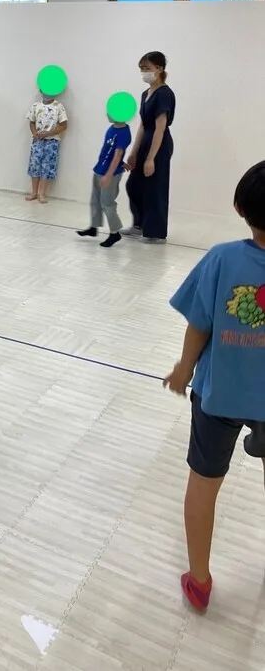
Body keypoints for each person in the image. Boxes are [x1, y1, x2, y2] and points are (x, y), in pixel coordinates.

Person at [164, 162, 265, 612]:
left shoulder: (223, 258)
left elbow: (199, 325)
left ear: (239, 207)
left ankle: (199, 580)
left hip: (218, 395)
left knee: (203, 485)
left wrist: (184, 368)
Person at [124, 51, 176, 242]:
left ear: (159, 69)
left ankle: (155, 232)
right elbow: (143, 125)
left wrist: (151, 158)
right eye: (142, 69)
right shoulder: (146, 94)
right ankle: (139, 224)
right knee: (134, 185)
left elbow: (159, 128)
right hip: (146, 141)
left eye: (148, 69)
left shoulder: (164, 94)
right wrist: (134, 153)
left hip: (159, 145)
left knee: (155, 187)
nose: (144, 73)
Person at [77, 115, 132, 248]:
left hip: (109, 174)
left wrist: (109, 175)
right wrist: (122, 163)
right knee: (95, 200)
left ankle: (115, 232)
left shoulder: (124, 133)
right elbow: (109, 152)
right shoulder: (111, 129)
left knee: (107, 203)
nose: (107, 114)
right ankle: (94, 227)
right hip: (99, 169)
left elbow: (118, 153)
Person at [25, 93, 68, 204]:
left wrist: (49, 133)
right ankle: (34, 192)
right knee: (35, 164)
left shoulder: (59, 107)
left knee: (47, 166)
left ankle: (42, 193)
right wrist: (35, 133)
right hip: (38, 140)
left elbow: (64, 125)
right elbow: (31, 122)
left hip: (52, 141)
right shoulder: (35, 106)